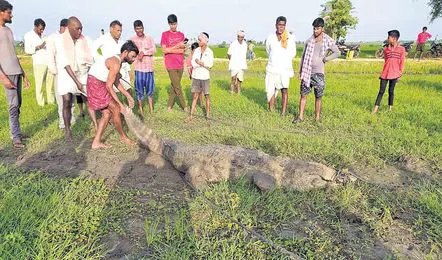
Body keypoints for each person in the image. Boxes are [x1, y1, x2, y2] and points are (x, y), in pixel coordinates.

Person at [87, 40, 137, 149]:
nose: (133, 60)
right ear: (125, 52)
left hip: (96, 82)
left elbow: (115, 82)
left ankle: (96, 142)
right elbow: (109, 86)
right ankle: (124, 138)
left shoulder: (117, 60)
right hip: (96, 83)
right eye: (132, 56)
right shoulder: (116, 63)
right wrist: (120, 105)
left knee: (107, 113)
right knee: (116, 109)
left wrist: (128, 96)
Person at [53, 16, 94, 140]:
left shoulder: (84, 40)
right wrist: (77, 83)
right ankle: (67, 129)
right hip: (66, 74)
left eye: (81, 29)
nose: (80, 31)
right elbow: (65, 63)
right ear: (69, 28)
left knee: (88, 99)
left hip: (81, 73)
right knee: (67, 100)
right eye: (77, 29)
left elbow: (90, 58)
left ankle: (96, 124)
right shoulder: (60, 40)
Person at [295, 17, 340, 123]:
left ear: (322, 29)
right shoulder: (309, 41)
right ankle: (300, 117)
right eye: (314, 29)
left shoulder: (327, 40)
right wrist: (300, 71)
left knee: (318, 96)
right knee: (303, 95)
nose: (315, 31)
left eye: (318, 29)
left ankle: (317, 118)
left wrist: (326, 59)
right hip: (307, 72)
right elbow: (303, 56)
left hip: (319, 73)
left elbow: (337, 52)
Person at [0, 0, 31, 148]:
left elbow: (13, 54)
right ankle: (15, 137)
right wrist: (3, 77)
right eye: (9, 12)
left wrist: (24, 74)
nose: (11, 15)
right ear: (1, 12)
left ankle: (16, 131)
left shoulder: (8, 30)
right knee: (13, 106)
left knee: (18, 104)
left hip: (16, 72)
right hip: (7, 74)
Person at [265, 16, 297, 117]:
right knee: (271, 89)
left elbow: (293, 53)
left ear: (285, 26)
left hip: (284, 68)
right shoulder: (270, 37)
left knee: (284, 89)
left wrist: (284, 58)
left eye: (283, 25)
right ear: (276, 25)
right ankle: (271, 110)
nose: (281, 27)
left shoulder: (289, 38)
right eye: (279, 25)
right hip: (272, 68)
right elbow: (268, 52)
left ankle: (283, 113)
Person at [47, 18, 75, 129]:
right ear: (63, 27)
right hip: (59, 72)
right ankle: (63, 123)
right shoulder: (53, 38)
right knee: (62, 100)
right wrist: (54, 71)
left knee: (71, 98)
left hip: (71, 72)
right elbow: (50, 55)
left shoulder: (69, 39)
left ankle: (71, 120)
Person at [93, 20, 132, 94]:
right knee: (112, 93)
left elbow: (125, 56)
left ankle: (129, 105)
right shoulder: (102, 40)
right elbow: (95, 53)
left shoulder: (122, 42)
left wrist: (128, 70)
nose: (119, 33)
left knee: (128, 90)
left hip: (123, 71)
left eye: (121, 31)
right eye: (118, 30)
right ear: (111, 29)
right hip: (110, 71)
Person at [372, 30, 405, 115]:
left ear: (394, 38)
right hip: (385, 73)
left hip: (395, 73)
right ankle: (375, 110)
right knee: (381, 91)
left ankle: (390, 108)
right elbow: (386, 60)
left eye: (388, 37)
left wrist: (400, 73)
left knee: (391, 91)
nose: (387, 39)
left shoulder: (401, 49)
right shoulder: (386, 49)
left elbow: (402, 62)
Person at [24, 18, 54, 106]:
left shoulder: (45, 36)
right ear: (35, 26)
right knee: (39, 84)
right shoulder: (29, 35)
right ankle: (41, 103)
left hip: (48, 62)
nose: (42, 30)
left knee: (50, 83)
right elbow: (27, 50)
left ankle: (51, 102)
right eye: (40, 29)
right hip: (39, 63)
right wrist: (39, 47)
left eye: (43, 29)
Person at [161, 14, 187, 112]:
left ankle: (169, 106)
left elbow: (182, 51)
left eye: (174, 24)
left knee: (174, 86)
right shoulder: (165, 34)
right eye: (171, 24)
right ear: (168, 24)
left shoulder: (181, 35)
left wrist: (170, 49)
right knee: (177, 86)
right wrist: (177, 46)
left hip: (180, 64)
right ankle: (184, 106)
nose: (173, 26)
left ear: (177, 23)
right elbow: (164, 51)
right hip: (170, 65)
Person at [131, 20, 156, 114]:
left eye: (140, 28)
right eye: (137, 29)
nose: (139, 30)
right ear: (134, 29)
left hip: (149, 69)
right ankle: (141, 108)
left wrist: (144, 52)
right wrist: (137, 54)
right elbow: (131, 52)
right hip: (139, 69)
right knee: (139, 90)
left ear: (143, 28)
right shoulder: (132, 40)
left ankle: (151, 108)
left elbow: (154, 49)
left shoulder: (149, 38)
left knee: (150, 90)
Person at [188, 32, 214, 120]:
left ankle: (207, 114)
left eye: (200, 40)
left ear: (206, 40)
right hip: (196, 75)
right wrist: (198, 63)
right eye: (198, 40)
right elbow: (192, 62)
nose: (198, 41)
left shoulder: (210, 52)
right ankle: (191, 114)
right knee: (195, 95)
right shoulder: (197, 50)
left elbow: (210, 64)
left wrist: (202, 63)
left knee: (207, 95)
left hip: (205, 77)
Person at [228, 30, 247, 94]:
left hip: (241, 65)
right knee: (233, 78)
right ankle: (231, 92)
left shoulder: (245, 44)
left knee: (239, 80)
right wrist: (232, 61)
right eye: (240, 37)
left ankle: (238, 93)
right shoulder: (233, 43)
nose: (241, 38)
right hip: (234, 64)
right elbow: (229, 54)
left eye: (242, 37)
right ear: (237, 36)